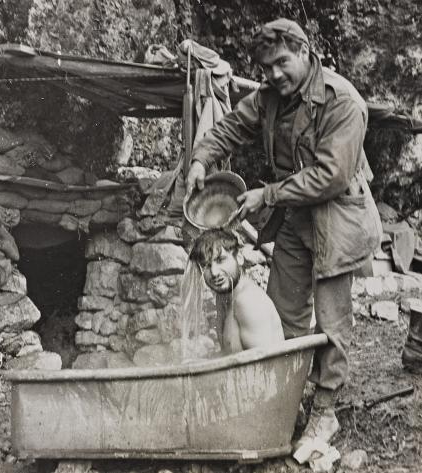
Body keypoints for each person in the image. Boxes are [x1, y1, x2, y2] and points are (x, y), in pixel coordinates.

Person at [186, 18, 382, 449]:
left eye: (281, 62)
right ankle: (283, 399)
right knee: (281, 311)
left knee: (331, 321)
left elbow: (331, 176)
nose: (274, 74)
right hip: (299, 215)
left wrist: (268, 194)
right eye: (266, 68)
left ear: (305, 51)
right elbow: (233, 126)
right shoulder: (270, 97)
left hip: (340, 215)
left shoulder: (342, 101)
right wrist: (202, 158)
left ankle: (325, 410)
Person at [189, 228, 284, 354]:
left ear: (239, 258)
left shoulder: (249, 302)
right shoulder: (224, 295)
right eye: (206, 265)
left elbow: (269, 367)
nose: (214, 272)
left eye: (220, 260)